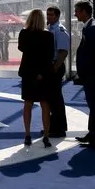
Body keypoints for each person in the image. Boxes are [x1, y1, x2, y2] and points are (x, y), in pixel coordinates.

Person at [74, 0, 95, 150]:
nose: (75, 13)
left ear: (84, 12)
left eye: (77, 11)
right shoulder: (89, 26)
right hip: (90, 74)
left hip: (92, 75)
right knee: (93, 106)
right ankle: (92, 133)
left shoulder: (92, 28)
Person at [18, 8, 54, 148]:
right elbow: (50, 55)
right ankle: (46, 135)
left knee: (28, 103)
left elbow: (22, 48)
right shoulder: (48, 35)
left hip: (28, 73)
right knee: (45, 104)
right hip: (43, 74)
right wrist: (41, 72)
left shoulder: (24, 33)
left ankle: (27, 134)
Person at [45, 6, 70, 137]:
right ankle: (52, 126)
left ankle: (59, 128)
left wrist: (54, 69)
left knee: (56, 99)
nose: (48, 17)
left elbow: (63, 52)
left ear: (57, 16)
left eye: (51, 15)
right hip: (51, 66)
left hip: (56, 66)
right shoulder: (50, 29)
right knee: (51, 98)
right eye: (47, 14)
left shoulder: (60, 30)